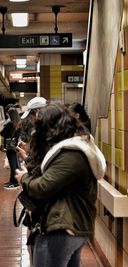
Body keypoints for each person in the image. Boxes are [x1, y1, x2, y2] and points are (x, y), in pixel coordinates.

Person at [15, 103, 106, 267]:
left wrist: (23, 179)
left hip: (62, 228)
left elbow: (43, 186)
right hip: (68, 226)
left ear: (52, 127)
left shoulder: (71, 153)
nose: (37, 132)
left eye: (40, 127)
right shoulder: (68, 150)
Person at [0, 107, 21, 189]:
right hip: (14, 145)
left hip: (9, 146)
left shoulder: (10, 124)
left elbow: (2, 133)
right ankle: (12, 180)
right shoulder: (18, 124)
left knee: (13, 165)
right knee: (14, 163)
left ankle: (14, 182)